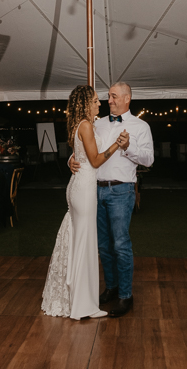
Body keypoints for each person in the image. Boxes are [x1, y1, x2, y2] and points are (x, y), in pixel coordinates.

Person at [68, 82, 154, 318]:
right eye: (108, 97)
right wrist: (71, 160)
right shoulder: (97, 123)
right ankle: (111, 288)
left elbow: (148, 159)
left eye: (114, 97)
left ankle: (126, 295)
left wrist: (128, 147)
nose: (109, 101)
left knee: (120, 245)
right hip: (94, 190)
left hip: (121, 191)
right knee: (103, 246)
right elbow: (85, 149)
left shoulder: (141, 126)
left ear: (127, 98)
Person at [41, 85, 125, 320]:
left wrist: (71, 159)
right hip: (84, 188)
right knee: (85, 244)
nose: (100, 104)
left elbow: (79, 153)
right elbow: (96, 160)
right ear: (86, 103)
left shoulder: (82, 124)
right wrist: (117, 145)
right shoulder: (86, 125)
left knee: (80, 242)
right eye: (97, 101)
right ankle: (82, 305)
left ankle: (76, 297)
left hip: (79, 185)